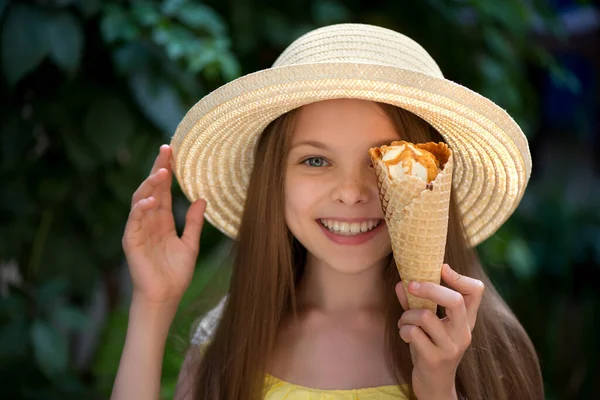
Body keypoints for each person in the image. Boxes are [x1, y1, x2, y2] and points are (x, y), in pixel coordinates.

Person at [110, 24, 544, 400]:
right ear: (272, 179)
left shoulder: (491, 347)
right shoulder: (226, 340)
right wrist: (153, 304)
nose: (352, 193)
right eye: (315, 161)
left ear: (435, 178)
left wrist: (439, 388)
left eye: (385, 160)